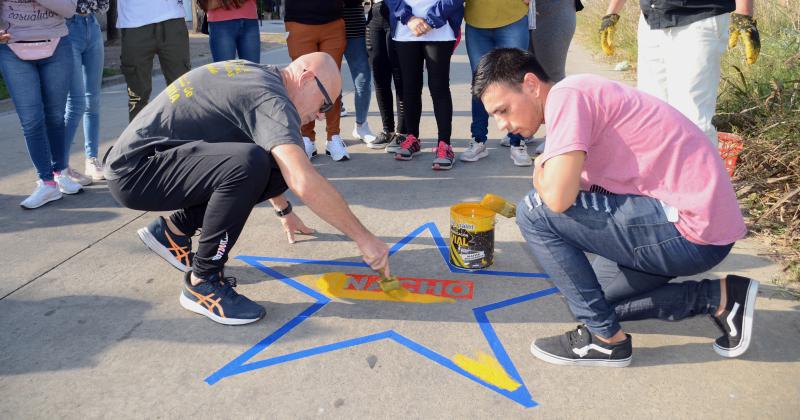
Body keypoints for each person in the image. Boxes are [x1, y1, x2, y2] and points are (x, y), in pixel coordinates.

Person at [473, 48, 757, 366]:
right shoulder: (572, 104)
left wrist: (543, 177)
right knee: (594, 298)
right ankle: (720, 298)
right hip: (684, 221)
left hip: (690, 227)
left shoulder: (568, 96)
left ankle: (606, 341)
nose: (500, 124)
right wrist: (547, 174)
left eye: (503, 110)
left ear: (531, 84)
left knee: (534, 212)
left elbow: (557, 200)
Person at [105, 52, 391, 325]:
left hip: (151, 161)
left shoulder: (260, 76)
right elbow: (302, 180)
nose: (320, 115)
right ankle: (203, 282)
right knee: (250, 164)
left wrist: (284, 209)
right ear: (306, 79)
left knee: (271, 162)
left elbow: (269, 158)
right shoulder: (271, 99)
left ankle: (172, 232)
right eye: (325, 105)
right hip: (136, 171)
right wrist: (364, 239)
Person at [600, 0, 759, 146]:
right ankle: (662, 176)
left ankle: (702, 176)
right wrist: (612, 12)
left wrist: (744, 13)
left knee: (692, 120)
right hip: (652, 19)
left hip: (698, 16)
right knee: (652, 114)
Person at [0, 0, 87, 209]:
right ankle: (47, 182)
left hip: (56, 45)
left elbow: (68, 9)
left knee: (55, 115)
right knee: (31, 120)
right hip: (12, 49)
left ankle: (61, 173)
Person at [386, 0, 464, 171]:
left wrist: (431, 19)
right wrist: (408, 17)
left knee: (439, 87)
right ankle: (412, 138)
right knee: (410, 87)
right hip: (405, 29)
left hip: (441, 29)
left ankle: (445, 145)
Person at [459, 0, 532, 167]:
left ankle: (517, 142)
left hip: (513, 17)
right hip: (476, 19)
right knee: (480, 82)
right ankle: (478, 140)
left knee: (514, 82)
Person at [284, 0, 349, 161]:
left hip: (333, 21)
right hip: (299, 20)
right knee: (301, 83)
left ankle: (333, 136)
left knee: (332, 82)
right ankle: (306, 138)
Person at [117, 0, 191, 121]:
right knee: (137, 97)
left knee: (182, 92)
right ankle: (139, 139)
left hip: (172, 19)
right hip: (134, 23)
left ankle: (185, 137)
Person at [65, 0, 110, 183]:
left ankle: (91, 159)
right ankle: (61, 165)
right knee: (74, 102)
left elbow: (104, 5)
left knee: (93, 100)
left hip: (92, 25)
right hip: (66, 27)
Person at [365, 0, 406, 151]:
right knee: (380, 77)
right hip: (375, 13)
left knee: (400, 77)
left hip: (398, 12)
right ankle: (387, 130)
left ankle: (402, 132)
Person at [343, 0, 376, 146]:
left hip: (355, 26)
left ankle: (361, 126)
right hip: (326, 25)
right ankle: (332, 134)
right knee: (328, 82)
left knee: (363, 79)